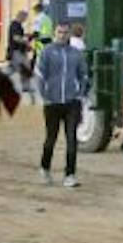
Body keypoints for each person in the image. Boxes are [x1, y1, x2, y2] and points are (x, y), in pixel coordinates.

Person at [36, 20, 92, 187]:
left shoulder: (76, 53)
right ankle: (45, 168)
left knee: (71, 139)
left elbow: (83, 74)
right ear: (55, 33)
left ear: (69, 34)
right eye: (59, 32)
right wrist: (45, 95)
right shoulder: (47, 52)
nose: (62, 35)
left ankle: (70, 174)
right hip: (52, 103)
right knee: (51, 138)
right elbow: (40, 75)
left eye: (65, 32)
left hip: (71, 102)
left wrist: (80, 93)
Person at [6, 9, 32, 91]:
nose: (25, 20)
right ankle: (26, 87)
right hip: (17, 51)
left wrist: (27, 35)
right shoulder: (15, 25)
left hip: (17, 51)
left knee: (12, 69)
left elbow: (18, 35)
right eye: (25, 18)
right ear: (21, 16)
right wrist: (26, 43)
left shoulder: (17, 25)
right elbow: (16, 38)